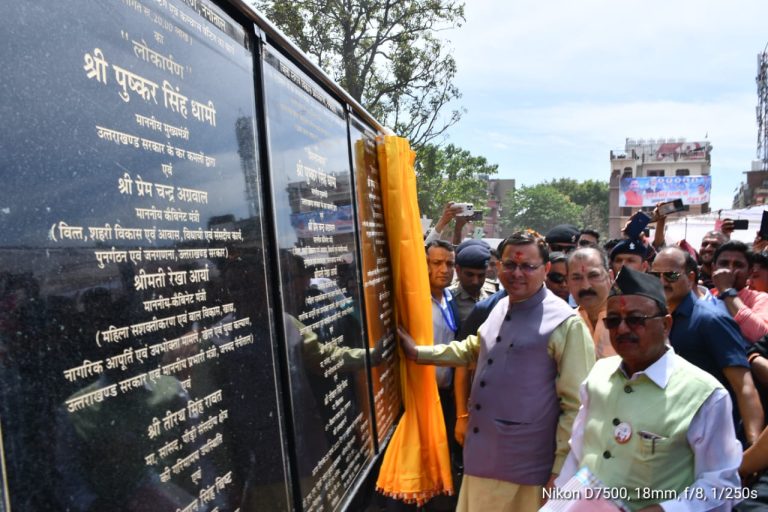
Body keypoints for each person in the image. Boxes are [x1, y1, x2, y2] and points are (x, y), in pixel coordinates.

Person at [399, 231, 595, 512]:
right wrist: (418, 353)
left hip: (527, 471)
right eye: (509, 265)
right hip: (481, 458)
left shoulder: (566, 323)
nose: (517, 273)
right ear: (498, 266)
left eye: (527, 266)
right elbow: (473, 349)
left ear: (546, 269)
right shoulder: (501, 306)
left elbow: (577, 407)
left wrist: (560, 472)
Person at [556, 266, 743, 511]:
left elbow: (722, 484)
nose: (622, 329)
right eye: (613, 321)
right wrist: (558, 501)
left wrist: (665, 509)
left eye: (635, 320)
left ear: (666, 325)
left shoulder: (705, 394)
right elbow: (579, 452)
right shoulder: (598, 374)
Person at [651, 247, 763, 446]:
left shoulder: (710, 319)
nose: (661, 281)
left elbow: (744, 386)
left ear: (691, 277)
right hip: (670, 434)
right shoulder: (652, 319)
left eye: (671, 275)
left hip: (712, 437)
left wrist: (752, 447)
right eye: (655, 275)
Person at [712, 240, 768, 343]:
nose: (730, 270)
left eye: (738, 265)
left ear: (750, 272)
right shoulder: (705, 296)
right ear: (713, 268)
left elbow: (762, 337)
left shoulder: (760, 299)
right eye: (724, 264)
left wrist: (727, 292)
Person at [567, 247, 616, 359]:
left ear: (610, 277)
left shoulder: (631, 322)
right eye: (577, 278)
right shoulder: (564, 325)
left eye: (593, 276)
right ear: (567, 282)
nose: (586, 286)